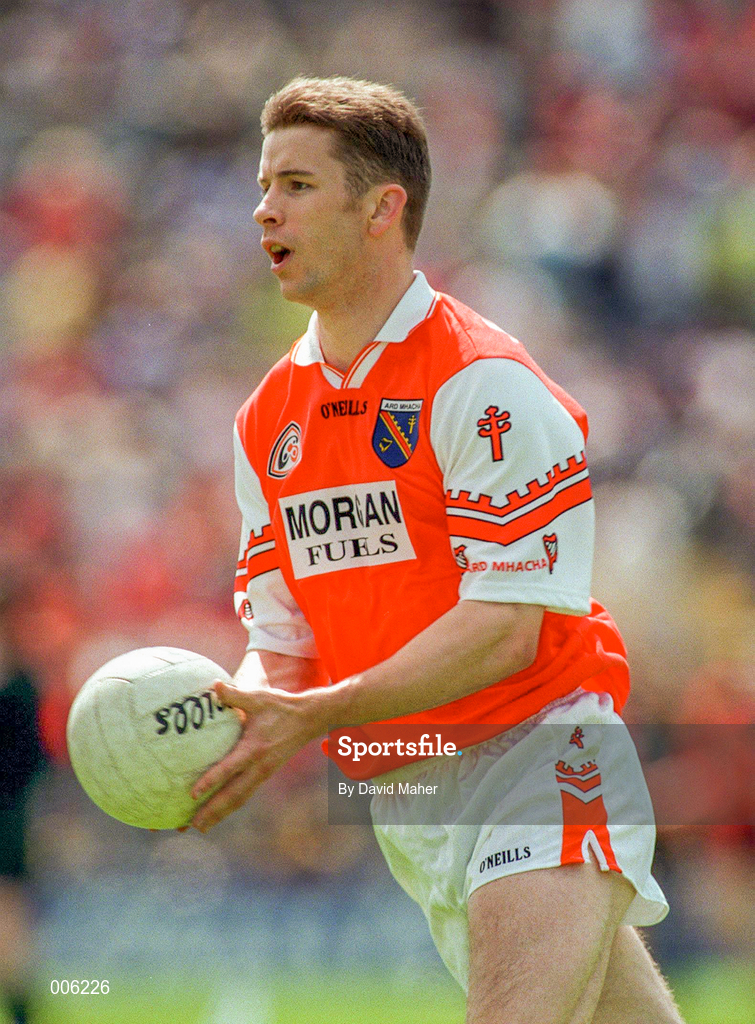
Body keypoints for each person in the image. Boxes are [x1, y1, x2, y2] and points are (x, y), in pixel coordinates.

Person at [190, 75, 685, 1023]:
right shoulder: (264, 420)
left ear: (382, 209)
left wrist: (321, 710)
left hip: (539, 750)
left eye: (296, 185)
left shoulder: (483, 384)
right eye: (263, 185)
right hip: (407, 782)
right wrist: (237, 711)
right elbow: (282, 637)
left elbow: (503, 629)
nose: (263, 210)